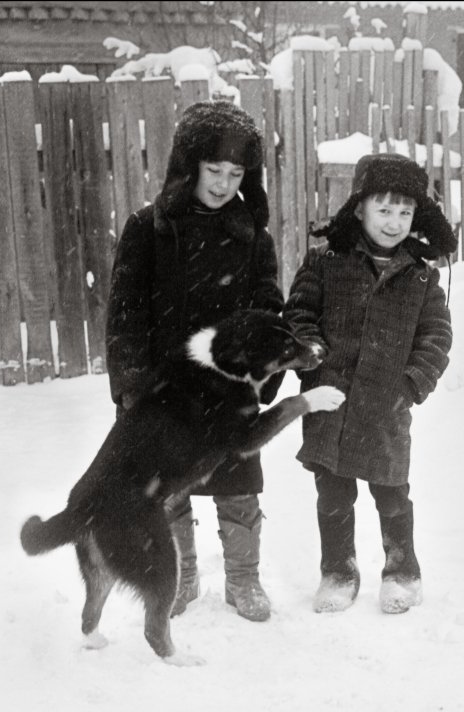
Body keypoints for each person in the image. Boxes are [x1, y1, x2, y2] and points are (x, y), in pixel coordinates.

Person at [106, 101, 284, 623]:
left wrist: (261, 376)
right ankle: (182, 573)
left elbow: (269, 306)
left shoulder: (254, 236)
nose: (224, 183)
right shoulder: (148, 229)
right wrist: (132, 383)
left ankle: (244, 577)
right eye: (214, 170)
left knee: (239, 484)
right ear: (189, 166)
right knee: (170, 488)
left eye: (236, 174)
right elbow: (125, 312)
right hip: (166, 391)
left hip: (227, 388)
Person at [283, 153, 457, 615]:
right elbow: (298, 315)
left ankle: (402, 570)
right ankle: (338, 571)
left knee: (391, 493)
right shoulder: (326, 262)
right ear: (359, 208)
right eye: (384, 210)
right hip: (332, 400)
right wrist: (313, 361)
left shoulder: (422, 276)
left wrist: (411, 384)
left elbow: (436, 337)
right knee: (333, 492)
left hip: (387, 404)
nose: (395, 221)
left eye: (405, 212)